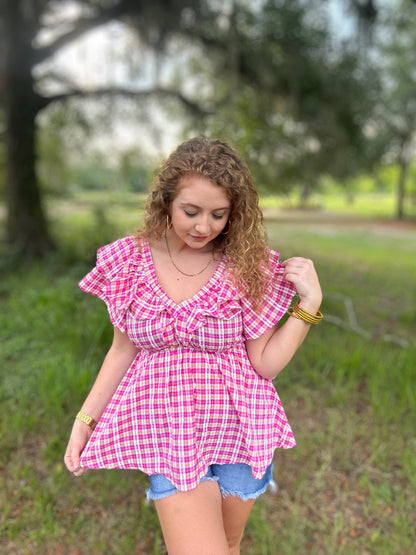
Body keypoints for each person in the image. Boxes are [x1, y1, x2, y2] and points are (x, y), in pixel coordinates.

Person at [64, 137, 322, 554]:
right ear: (166, 201)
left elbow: (266, 364)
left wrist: (309, 304)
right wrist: (84, 422)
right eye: (191, 211)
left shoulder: (245, 266)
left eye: (219, 214)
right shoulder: (129, 262)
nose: (204, 226)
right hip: (171, 434)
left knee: (230, 544)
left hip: (241, 429)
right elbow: (122, 351)